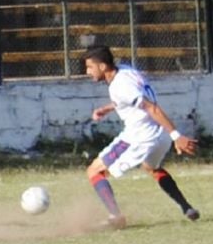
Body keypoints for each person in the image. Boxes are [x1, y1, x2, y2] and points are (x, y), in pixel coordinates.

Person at [83, 45, 200, 229]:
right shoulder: (126, 71)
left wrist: (177, 135)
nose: (88, 71)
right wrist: (108, 108)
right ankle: (187, 208)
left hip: (139, 137)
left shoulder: (120, 85)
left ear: (103, 67)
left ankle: (116, 216)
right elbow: (130, 97)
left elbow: (151, 107)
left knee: (94, 171)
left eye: (90, 67)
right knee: (151, 168)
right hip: (159, 135)